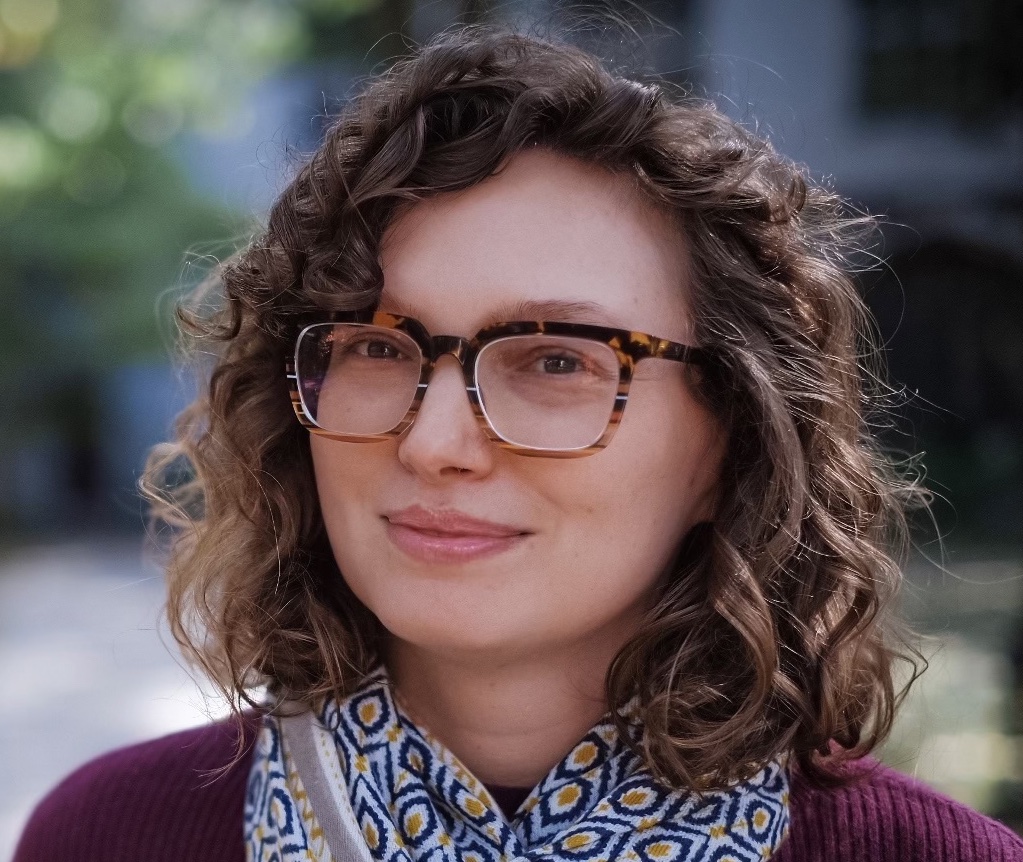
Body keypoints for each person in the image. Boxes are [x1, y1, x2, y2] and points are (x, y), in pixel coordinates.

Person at [13, 24, 1023, 862]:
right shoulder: (105, 837)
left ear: (731, 438)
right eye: (375, 344)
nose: (434, 439)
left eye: (553, 360)